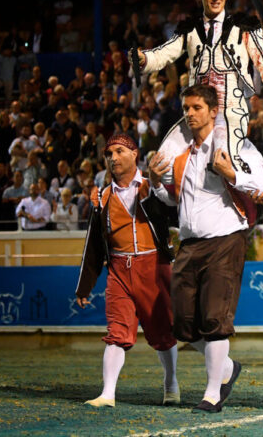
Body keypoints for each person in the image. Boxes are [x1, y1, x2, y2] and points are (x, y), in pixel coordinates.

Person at [149, 84, 263, 413]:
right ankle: (227, 369)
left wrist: (232, 173)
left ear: (214, 111)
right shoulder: (180, 153)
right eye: (186, 108)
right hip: (189, 242)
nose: (189, 114)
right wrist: (156, 182)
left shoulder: (235, 144)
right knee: (183, 324)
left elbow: (261, 186)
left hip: (226, 238)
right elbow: (172, 199)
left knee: (215, 319)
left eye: (196, 107)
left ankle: (213, 393)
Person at [134, 0, 263, 174]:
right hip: (198, 107)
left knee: (221, 161)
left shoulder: (244, 26)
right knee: (162, 163)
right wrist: (145, 58)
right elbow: (164, 53)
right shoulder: (189, 28)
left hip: (230, 107)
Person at [75, 134, 178, 408]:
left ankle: (171, 383)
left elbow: (170, 212)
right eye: (109, 153)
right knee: (117, 332)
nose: (113, 158)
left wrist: (156, 184)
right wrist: (84, 286)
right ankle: (107, 393)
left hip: (153, 267)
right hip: (119, 270)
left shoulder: (151, 187)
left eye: (120, 151)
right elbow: (94, 244)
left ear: (135, 154)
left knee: (163, 333)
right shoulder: (103, 197)